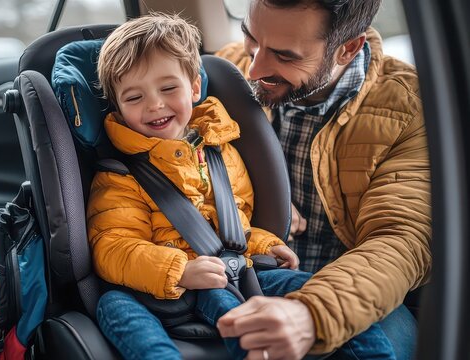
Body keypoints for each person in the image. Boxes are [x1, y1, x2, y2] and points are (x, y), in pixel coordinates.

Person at [87, 13, 395, 360]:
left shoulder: (221, 152)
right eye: (134, 98)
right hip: (160, 288)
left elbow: (237, 221)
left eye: (168, 88)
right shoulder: (119, 176)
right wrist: (181, 270)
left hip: (237, 272)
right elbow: (111, 247)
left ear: (194, 87)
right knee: (114, 308)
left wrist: (266, 243)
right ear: (118, 107)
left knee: (335, 302)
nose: (154, 104)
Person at [215, 1, 431, 359]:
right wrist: (258, 188)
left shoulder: (409, 109)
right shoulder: (226, 68)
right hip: (240, 271)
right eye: (251, 37)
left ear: (347, 49)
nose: (254, 68)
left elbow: (401, 239)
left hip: (350, 291)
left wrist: (312, 313)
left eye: (285, 56)